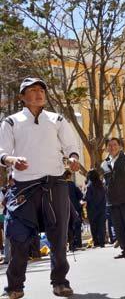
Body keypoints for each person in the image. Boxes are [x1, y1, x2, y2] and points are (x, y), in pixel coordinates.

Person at [0, 77, 80, 298]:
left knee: (58, 238)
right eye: (33, 90)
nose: (38, 93)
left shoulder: (57, 119)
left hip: (55, 185)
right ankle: (15, 287)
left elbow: (71, 146)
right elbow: (2, 153)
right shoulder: (10, 122)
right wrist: (12, 160)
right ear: (22, 97)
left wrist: (73, 158)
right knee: (18, 239)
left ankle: (60, 282)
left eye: (41, 90)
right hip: (23, 189)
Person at [84, 169, 106, 248]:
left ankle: (96, 242)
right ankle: (102, 242)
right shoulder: (101, 184)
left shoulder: (89, 185)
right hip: (102, 207)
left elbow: (87, 197)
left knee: (94, 226)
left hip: (92, 209)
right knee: (101, 225)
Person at [65, 170, 83, 251]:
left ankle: (71, 245)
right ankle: (78, 243)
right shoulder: (72, 184)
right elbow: (80, 195)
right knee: (77, 226)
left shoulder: (61, 185)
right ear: (69, 176)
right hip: (75, 207)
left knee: (68, 227)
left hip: (65, 209)